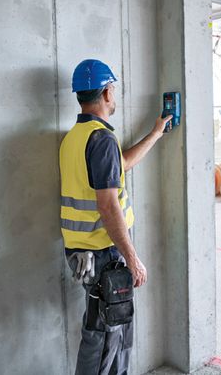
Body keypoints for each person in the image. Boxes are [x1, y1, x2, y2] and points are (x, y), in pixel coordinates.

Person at [59, 59, 172, 374]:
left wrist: (155, 134)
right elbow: (108, 206)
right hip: (104, 253)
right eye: (113, 89)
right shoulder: (102, 139)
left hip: (84, 252)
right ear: (107, 92)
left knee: (108, 331)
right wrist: (132, 259)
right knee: (105, 338)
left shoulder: (75, 138)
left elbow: (120, 165)